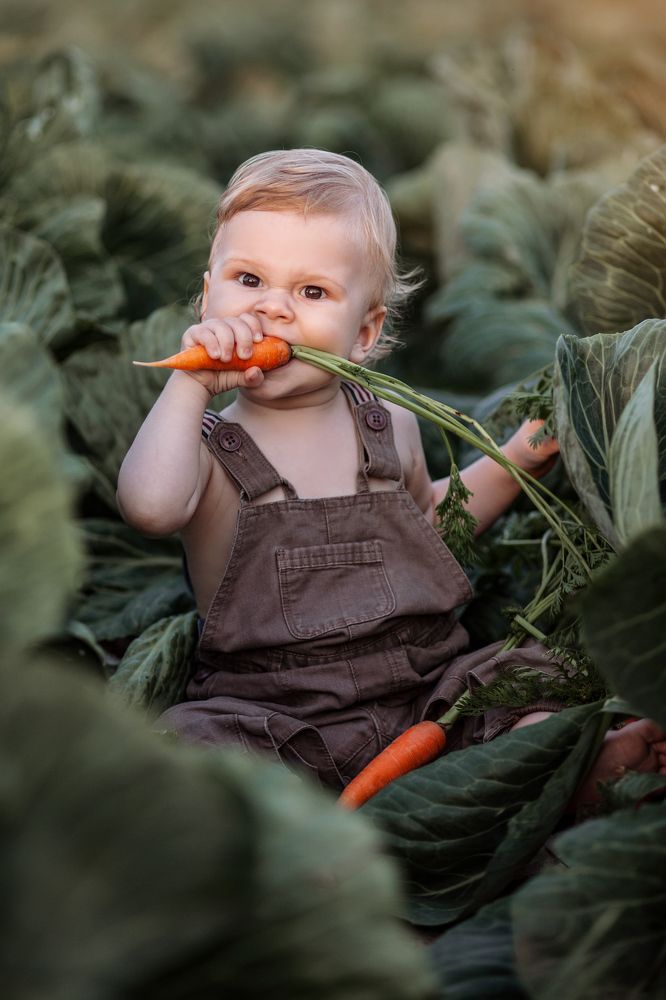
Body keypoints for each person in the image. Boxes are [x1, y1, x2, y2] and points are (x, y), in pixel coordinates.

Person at [117, 148, 666, 798]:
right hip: (269, 717)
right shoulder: (207, 446)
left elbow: (432, 527)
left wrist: (521, 456)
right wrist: (188, 385)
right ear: (207, 296)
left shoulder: (387, 425)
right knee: (185, 759)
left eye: (312, 291)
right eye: (247, 280)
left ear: (364, 334)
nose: (273, 309)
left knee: (527, 699)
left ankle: (580, 771)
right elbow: (150, 506)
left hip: (424, 692)